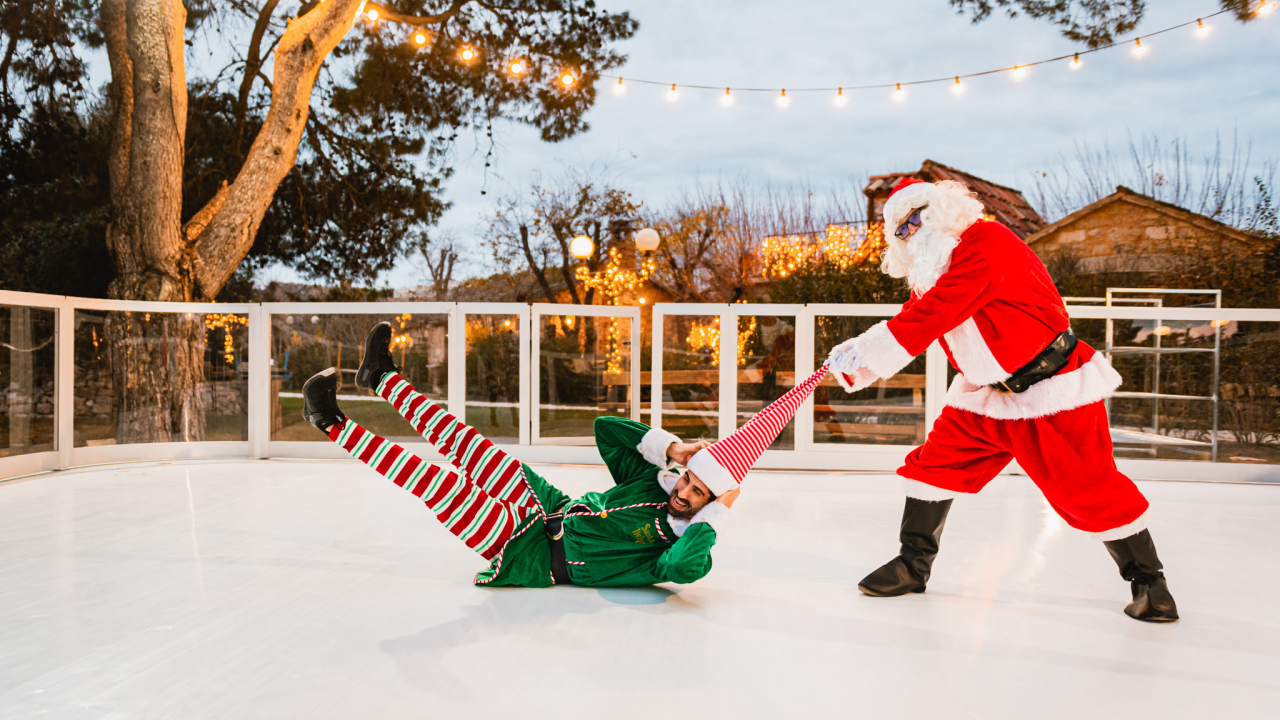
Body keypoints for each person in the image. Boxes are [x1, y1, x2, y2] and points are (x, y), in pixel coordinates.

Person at [828, 177, 1178, 622]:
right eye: (900, 230)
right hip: (984, 399)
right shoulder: (933, 274)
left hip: (1050, 393)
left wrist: (869, 350)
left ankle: (1150, 582)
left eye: (915, 218)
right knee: (933, 469)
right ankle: (912, 565)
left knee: (1088, 488)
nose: (911, 233)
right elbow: (924, 312)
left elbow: (939, 309)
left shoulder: (988, 240)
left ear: (942, 208)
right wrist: (859, 355)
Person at [301, 321, 827, 588]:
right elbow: (607, 431)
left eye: (699, 494)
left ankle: (331, 423)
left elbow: (683, 571)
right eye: (688, 481)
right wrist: (672, 447)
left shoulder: (681, 545)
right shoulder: (656, 484)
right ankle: (382, 378)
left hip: (532, 554)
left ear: (713, 503)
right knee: (467, 444)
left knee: (435, 482)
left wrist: (716, 513)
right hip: (549, 504)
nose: (686, 493)